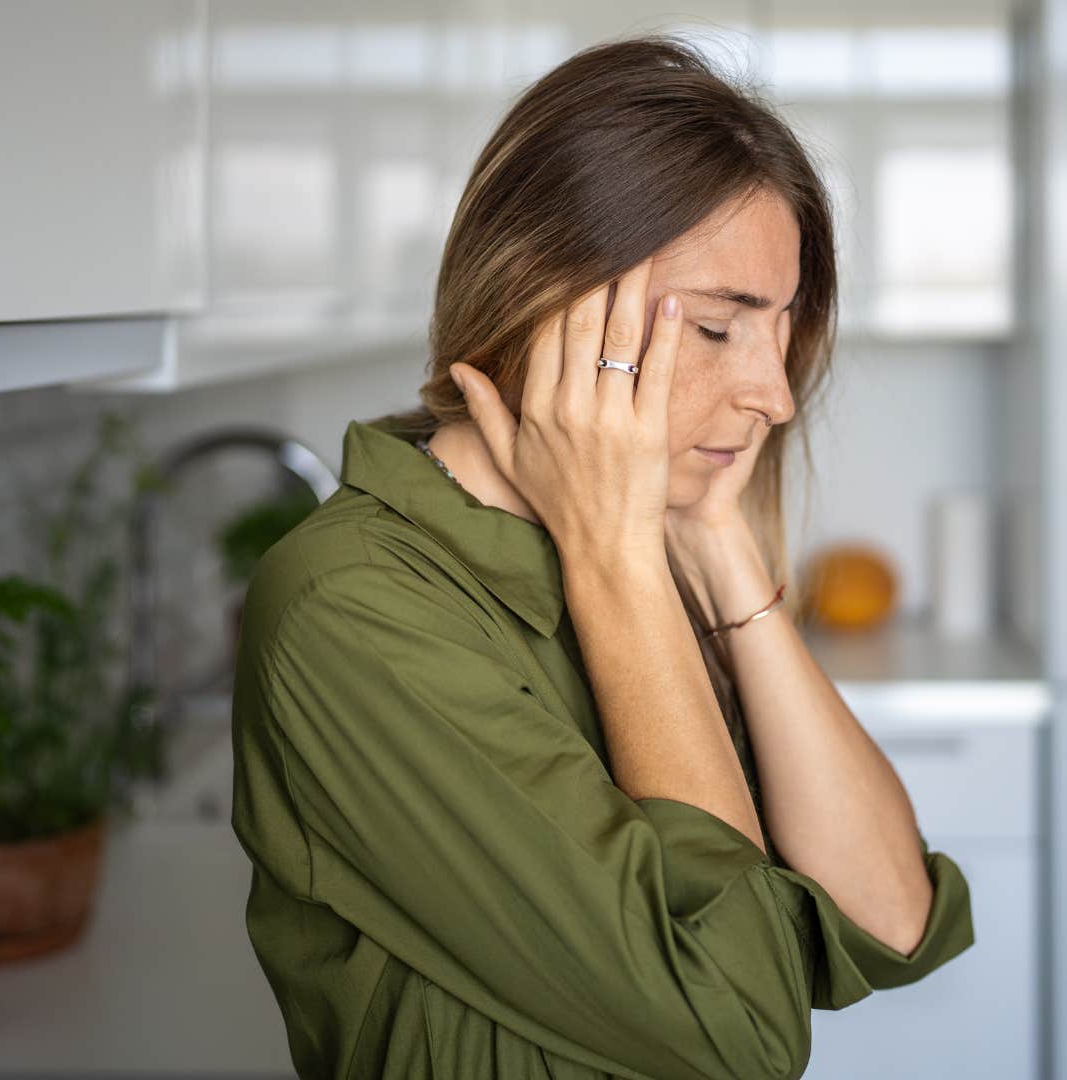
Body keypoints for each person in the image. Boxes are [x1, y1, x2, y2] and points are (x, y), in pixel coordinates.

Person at [229, 33, 974, 1080]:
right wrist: (619, 556)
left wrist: (712, 542)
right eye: (720, 329)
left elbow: (892, 915)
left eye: (783, 331)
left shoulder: (647, 545)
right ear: (547, 302)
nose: (776, 395)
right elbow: (738, 1031)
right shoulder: (350, 607)